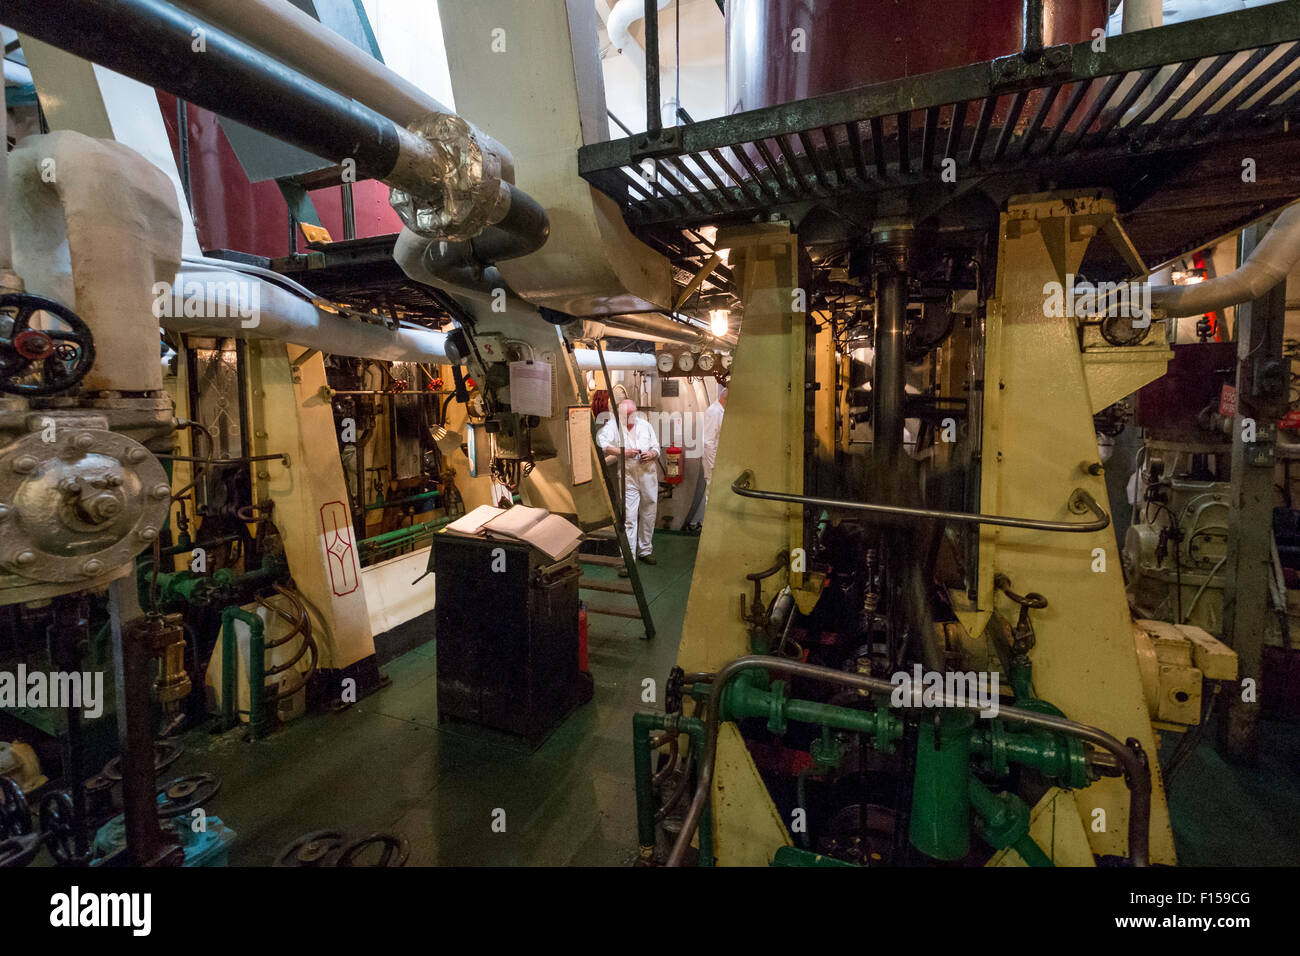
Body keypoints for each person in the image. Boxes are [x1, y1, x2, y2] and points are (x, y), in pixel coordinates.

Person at [597, 398, 661, 568]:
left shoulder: (645, 425)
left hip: (647, 473)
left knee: (649, 512)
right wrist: (622, 452)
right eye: (628, 414)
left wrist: (652, 454)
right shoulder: (613, 426)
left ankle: (645, 550)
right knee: (629, 517)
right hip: (628, 475)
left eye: (633, 413)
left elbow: (656, 446)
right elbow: (601, 443)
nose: (632, 417)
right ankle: (627, 559)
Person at [701, 386, 727, 506]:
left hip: (721, 462)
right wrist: (713, 466)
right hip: (714, 463)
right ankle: (709, 524)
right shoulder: (714, 411)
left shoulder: (722, 411)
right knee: (712, 495)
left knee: (721, 495)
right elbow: (708, 442)